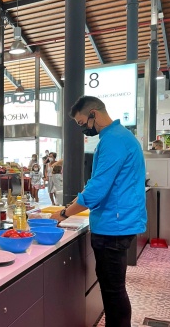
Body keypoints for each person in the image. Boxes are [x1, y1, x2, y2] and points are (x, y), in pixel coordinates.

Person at [51, 96, 146, 327]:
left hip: (114, 226)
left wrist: (64, 213)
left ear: (94, 113)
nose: (83, 128)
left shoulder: (113, 140)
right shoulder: (119, 136)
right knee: (114, 289)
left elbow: (97, 190)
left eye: (82, 122)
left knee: (113, 291)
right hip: (119, 221)